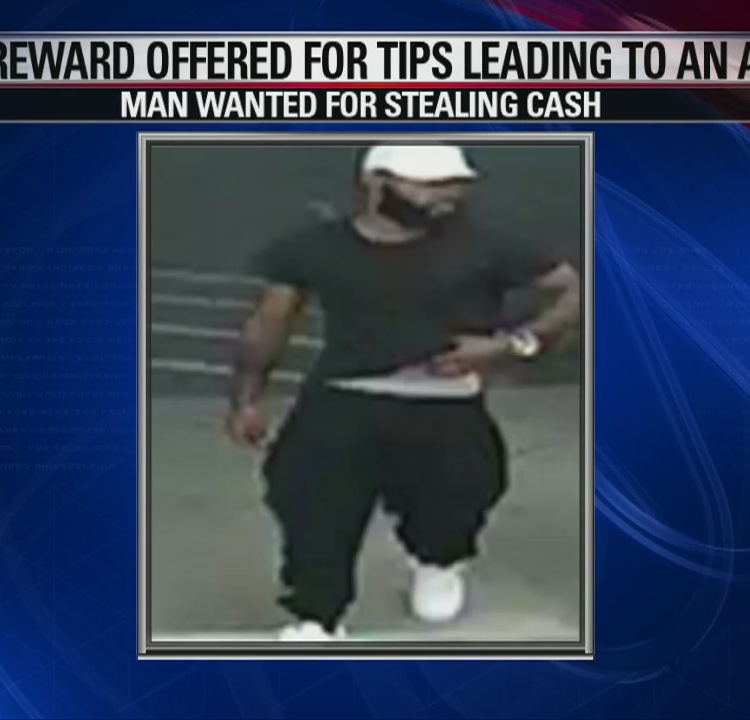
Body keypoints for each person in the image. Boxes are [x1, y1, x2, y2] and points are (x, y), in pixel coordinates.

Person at [225, 144, 583, 641]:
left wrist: (511, 345)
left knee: (458, 500)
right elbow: (269, 323)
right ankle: (316, 616)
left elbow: (572, 288)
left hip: (448, 402)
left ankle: (438, 561)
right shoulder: (314, 247)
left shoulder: (487, 242)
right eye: (428, 186)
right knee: (309, 503)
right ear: (376, 183)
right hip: (344, 396)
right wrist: (246, 399)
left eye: (455, 186)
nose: (446, 197)